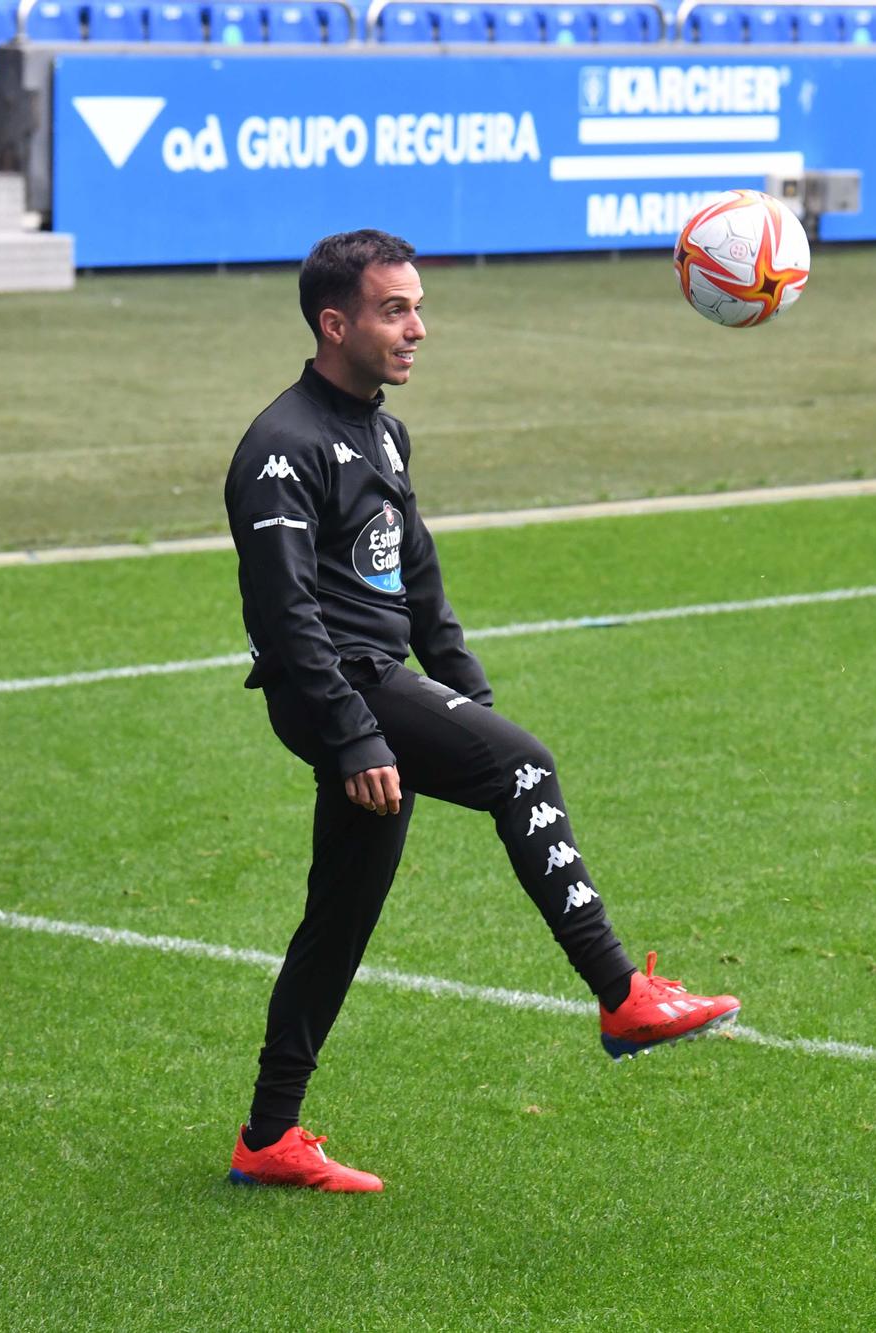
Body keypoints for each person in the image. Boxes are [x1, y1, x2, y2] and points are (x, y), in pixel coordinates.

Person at [221, 229, 740, 1193]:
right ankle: (623, 994)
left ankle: (269, 1136)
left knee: (338, 918)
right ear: (335, 324)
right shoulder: (280, 449)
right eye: (394, 310)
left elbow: (417, 580)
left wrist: (467, 704)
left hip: (382, 691)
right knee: (526, 766)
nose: (418, 328)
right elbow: (286, 617)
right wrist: (357, 731)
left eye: (418, 307)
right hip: (336, 688)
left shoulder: (381, 431)